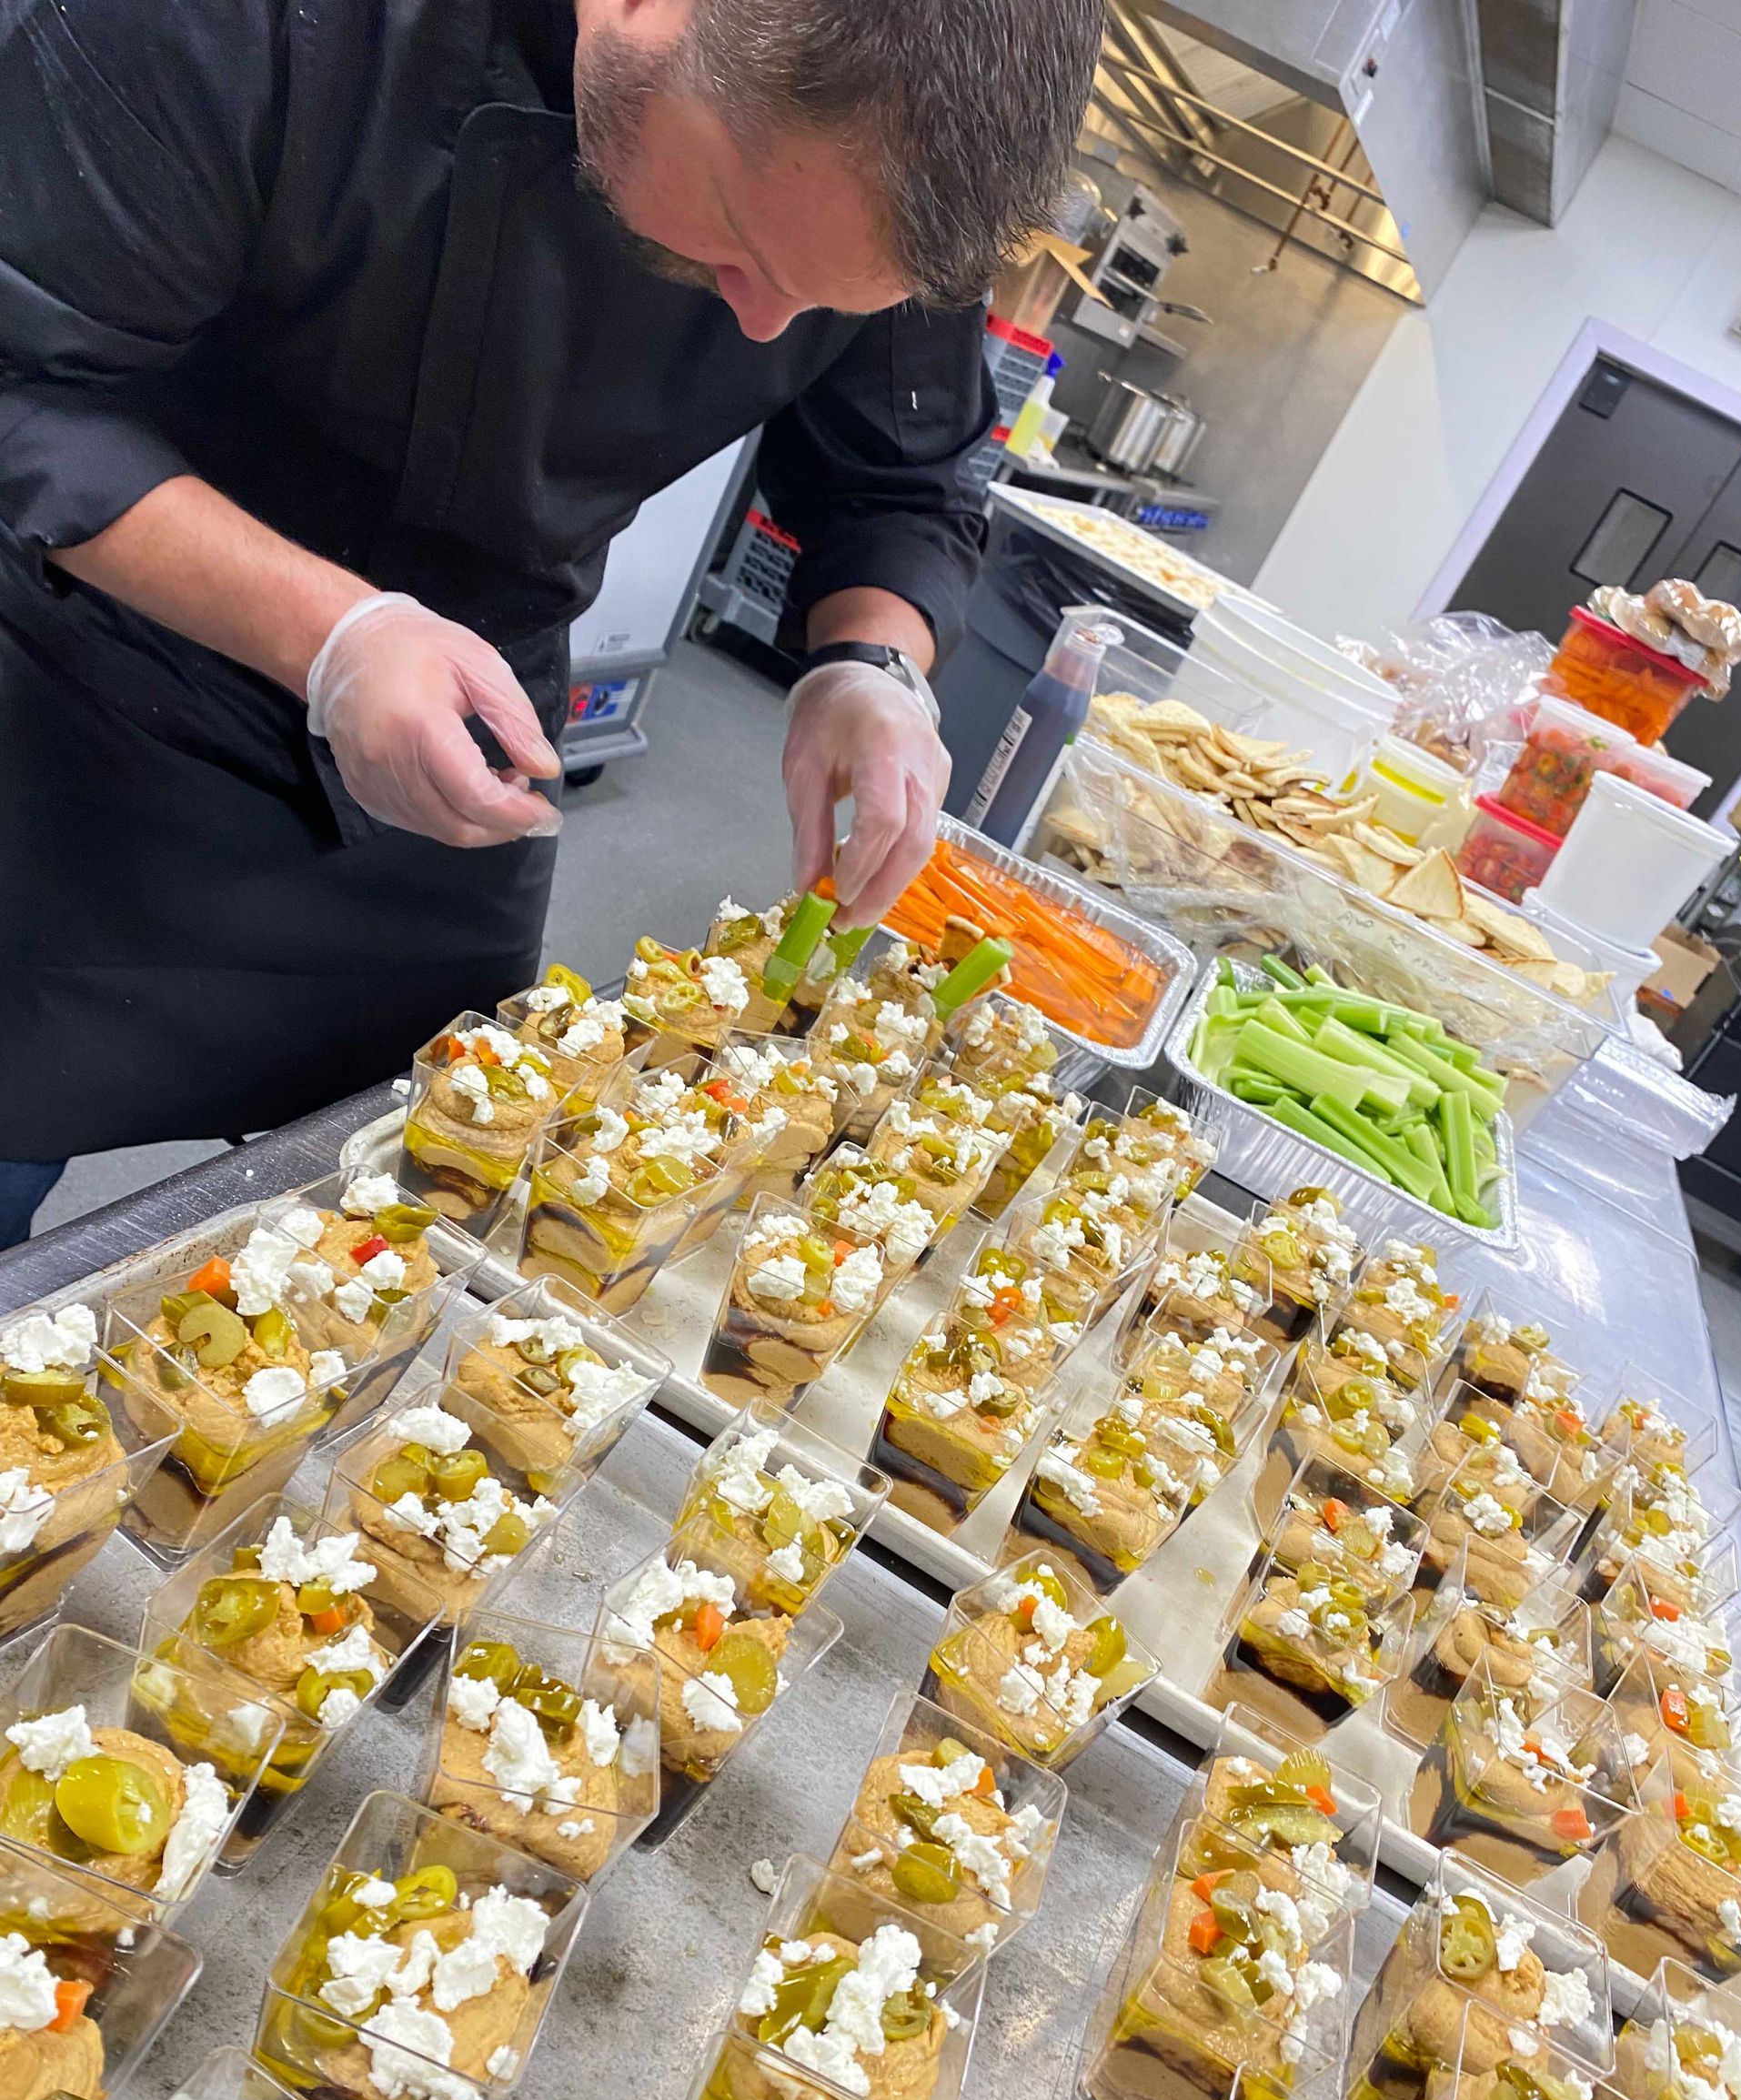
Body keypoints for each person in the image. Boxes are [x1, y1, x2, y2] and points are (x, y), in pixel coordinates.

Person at [0, 0, 1102, 1247]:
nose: (755, 326)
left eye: (819, 304)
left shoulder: (885, 157)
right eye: (741, 246)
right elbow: (23, 389)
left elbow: (897, 473)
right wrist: (336, 634)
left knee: (398, 1249)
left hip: (456, 771)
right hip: (74, 696)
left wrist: (874, 662)